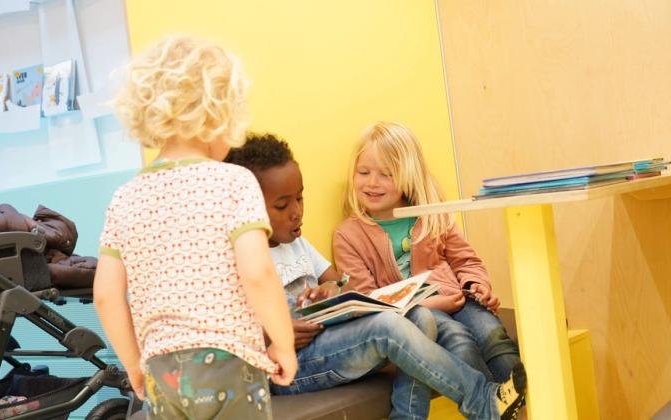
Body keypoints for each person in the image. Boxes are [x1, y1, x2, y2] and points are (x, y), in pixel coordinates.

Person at [225, 133, 526, 420]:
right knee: (388, 326)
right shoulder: (233, 257)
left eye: (300, 199)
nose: (296, 212)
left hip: (329, 342)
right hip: (291, 365)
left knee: (421, 319)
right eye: (282, 205)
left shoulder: (297, 244)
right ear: (246, 208)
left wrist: (329, 290)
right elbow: (223, 329)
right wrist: (274, 333)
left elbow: (338, 283)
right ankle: (481, 401)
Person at [93, 35, 296, 420]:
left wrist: (135, 364)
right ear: (218, 113)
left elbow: (105, 295)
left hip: (161, 371)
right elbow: (257, 273)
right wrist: (283, 343)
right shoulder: (233, 182)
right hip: (230, 362)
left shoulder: (124, 197)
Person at [334, 121, 522, 384]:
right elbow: (367, 302)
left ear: (408, 175)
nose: (372, 183)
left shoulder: (431, 215)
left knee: (492, 333)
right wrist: (426, 304)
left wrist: (478, 285)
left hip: (459, 298)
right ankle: (491, 407)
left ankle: (526, 404)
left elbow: (466, 261)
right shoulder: (348, 235)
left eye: (386, 174)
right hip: (415, 313)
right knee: (458, 340)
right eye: (363, 172)